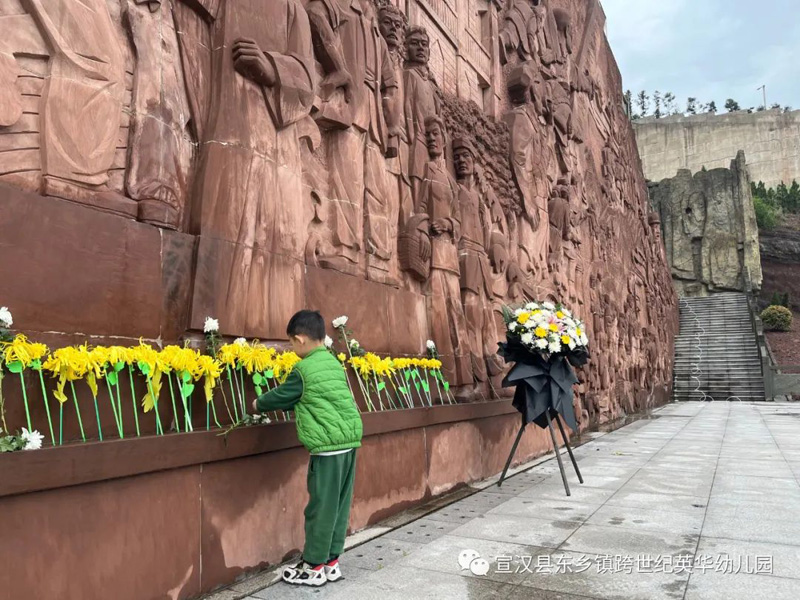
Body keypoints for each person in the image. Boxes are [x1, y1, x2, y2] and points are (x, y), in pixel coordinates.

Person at [251, 310, 363, 587]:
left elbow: (283, 395)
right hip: (349, 443)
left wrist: (257, 404)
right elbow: (315, 398)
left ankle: (313, 565)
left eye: (291, 343)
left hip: (327, 448)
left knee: (320, 508)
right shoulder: (332, 363)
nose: (292, 348)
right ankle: (331, 561)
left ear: (300, 340)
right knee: (338, 504)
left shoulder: (303, 369)